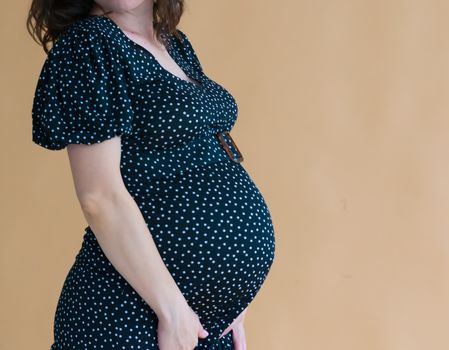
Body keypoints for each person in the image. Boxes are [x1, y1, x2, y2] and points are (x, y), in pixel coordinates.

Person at [26, 1, 276, 349]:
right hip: (134, 318)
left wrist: (232, 298)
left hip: (201, 321)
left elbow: (203, 151)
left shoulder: (174, 44)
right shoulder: (90, 44)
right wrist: (172, 311)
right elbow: (99, 197)